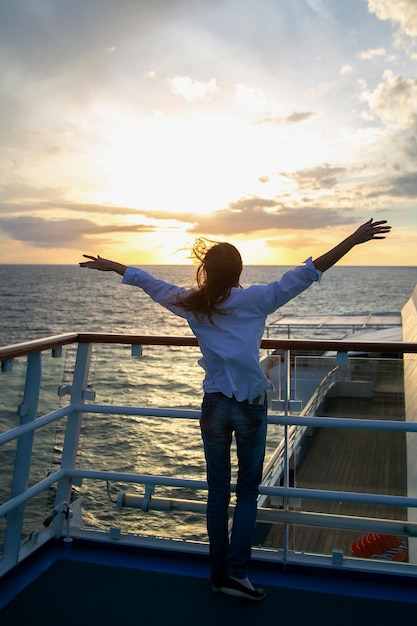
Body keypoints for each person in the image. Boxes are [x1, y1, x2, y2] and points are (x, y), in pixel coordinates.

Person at [79, 218, 391, 601]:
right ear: (239, 271)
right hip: (249, 408)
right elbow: (310, 271)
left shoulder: (192, 303)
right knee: (246, 494)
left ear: (206, 272)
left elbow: (151, 284)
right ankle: (236, 574)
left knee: (216, 493)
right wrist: (354, 240)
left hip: (213, 407)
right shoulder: (257, 299)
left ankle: (216, 573)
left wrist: (116, 267)